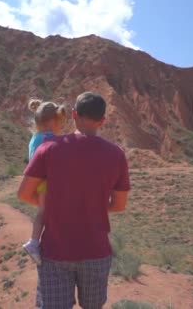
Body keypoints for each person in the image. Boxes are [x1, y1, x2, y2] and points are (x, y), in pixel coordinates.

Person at [17, 91, 131, 309]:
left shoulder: (48, 149)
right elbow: (119, 205)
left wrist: (54, 207)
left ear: (74, 114)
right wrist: (91, 206)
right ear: (102, 121)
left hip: (55, 253)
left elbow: (24, 193)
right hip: (96, 252)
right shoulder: (116, 155)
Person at [22, 98, 68, 265]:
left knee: (43, 211)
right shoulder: (49, 138)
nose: (61, 128)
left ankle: (35, 242)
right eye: (60, 123)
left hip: (38, 181)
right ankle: (34, 242)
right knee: (44, 212)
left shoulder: (35, 138)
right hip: (47, 181)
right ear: (53, 122)